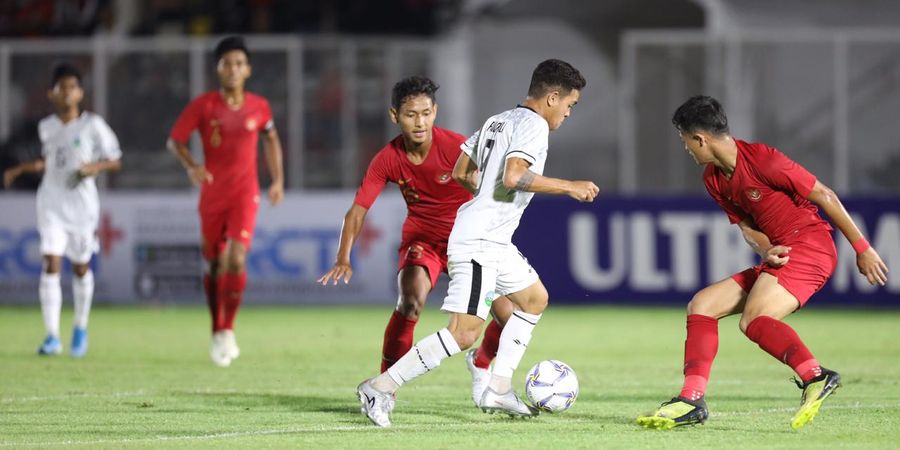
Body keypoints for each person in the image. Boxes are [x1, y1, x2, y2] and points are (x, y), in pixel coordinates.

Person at [356, 59, 598, 427]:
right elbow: (515, 175)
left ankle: (498, 387)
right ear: (552, 97)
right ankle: (380, 386)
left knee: (534, 299)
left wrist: (485, 198)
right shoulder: (534, 126)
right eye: (569, 104)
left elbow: (460, 172)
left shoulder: (500, 119)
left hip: (492, 237)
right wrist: (569, 186)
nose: (568, 113)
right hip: (480, 240)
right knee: (465, 332)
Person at [637, 95, 889, 430]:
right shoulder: (713, 180)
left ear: (701, 139)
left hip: (811, 245)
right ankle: (691, 399)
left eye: (686, 142)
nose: (686, 149)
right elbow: (747, 228)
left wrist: (863, 248)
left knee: (754, 318)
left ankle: (816, 376)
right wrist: (766, 249)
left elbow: (825, 195)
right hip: (783, 252)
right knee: (702, 305)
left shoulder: (764, 160)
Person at [317, 76, 511, 405]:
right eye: (410, 114)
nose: (419, 122)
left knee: (510, 316)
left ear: (435, 112)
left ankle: (480, 361)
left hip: (468, 243)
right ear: (395, 115)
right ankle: (384, 390)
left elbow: (494, 189)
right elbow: (358, 210)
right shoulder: (388, 158)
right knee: (410, 302)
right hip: (422, 240)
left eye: (425, 113)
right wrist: (343, 256)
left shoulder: (458, 148)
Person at [167, 36, 284, 367]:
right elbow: (175, 141)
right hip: (212, 195)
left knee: (235, 258)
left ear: (247, 69)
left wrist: (277, 180)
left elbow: (271, 139)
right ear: (217, 69)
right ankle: (216, 329)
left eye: (238, 63)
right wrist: (193, 166)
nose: (232, 69)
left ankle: (228, 329)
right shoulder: (203, 106)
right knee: (215, 264)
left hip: (245, 194)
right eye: (226, 63)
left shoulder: (259, 106)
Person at [3, 63, 122, 358]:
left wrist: (96, 166)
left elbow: (115, 159)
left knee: (81, 267)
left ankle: (80, 327)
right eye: (61, 87)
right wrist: (21, 168)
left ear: (80, 92)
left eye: (72, 86)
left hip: (81, 207)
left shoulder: (93, 125)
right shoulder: (47, 127)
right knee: (51, 263)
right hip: (51, 202)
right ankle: (52, 336)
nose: (67, 92)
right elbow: (51, 161)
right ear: (51, 93)